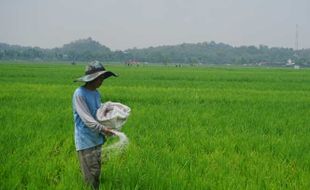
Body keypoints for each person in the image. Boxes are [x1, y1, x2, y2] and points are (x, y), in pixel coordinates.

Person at [72, 60, 117, 190]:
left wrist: (107, 110)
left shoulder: (96, 93)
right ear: (92, 78)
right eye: (100, 77)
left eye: (103, 77)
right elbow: (87, 119)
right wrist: (104, 129)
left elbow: (97, 114)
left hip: (96, 139)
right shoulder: (79, 94)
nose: (102, 80)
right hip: (86, 140)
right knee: (91, 175)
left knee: (96, 171)